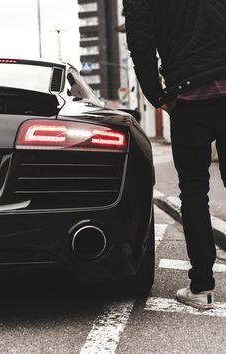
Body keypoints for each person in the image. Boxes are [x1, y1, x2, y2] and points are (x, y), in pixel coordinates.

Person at [123, 0, 226, 310]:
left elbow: (141, 41)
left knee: (194, 192)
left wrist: (158, 96)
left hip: (190, 93)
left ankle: (202, 287)